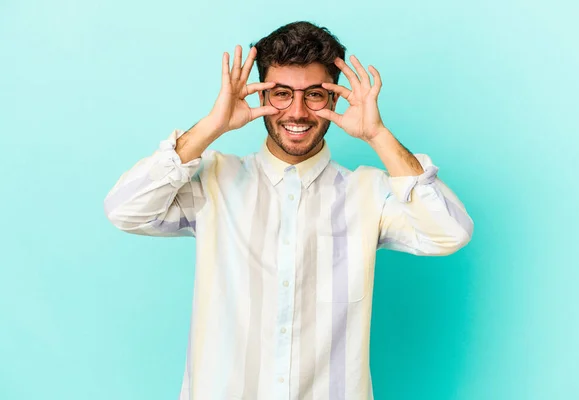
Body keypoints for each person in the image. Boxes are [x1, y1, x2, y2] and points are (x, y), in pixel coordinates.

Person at [104, 20, 474, 400]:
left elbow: (450, 232)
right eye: (281, 93)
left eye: (314, 94)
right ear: (262, 94)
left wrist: (378, 135)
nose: (297, 112)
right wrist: (211, 127)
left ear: (333, 100)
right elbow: (124, 209)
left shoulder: (369, 193)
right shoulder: (214, 181)